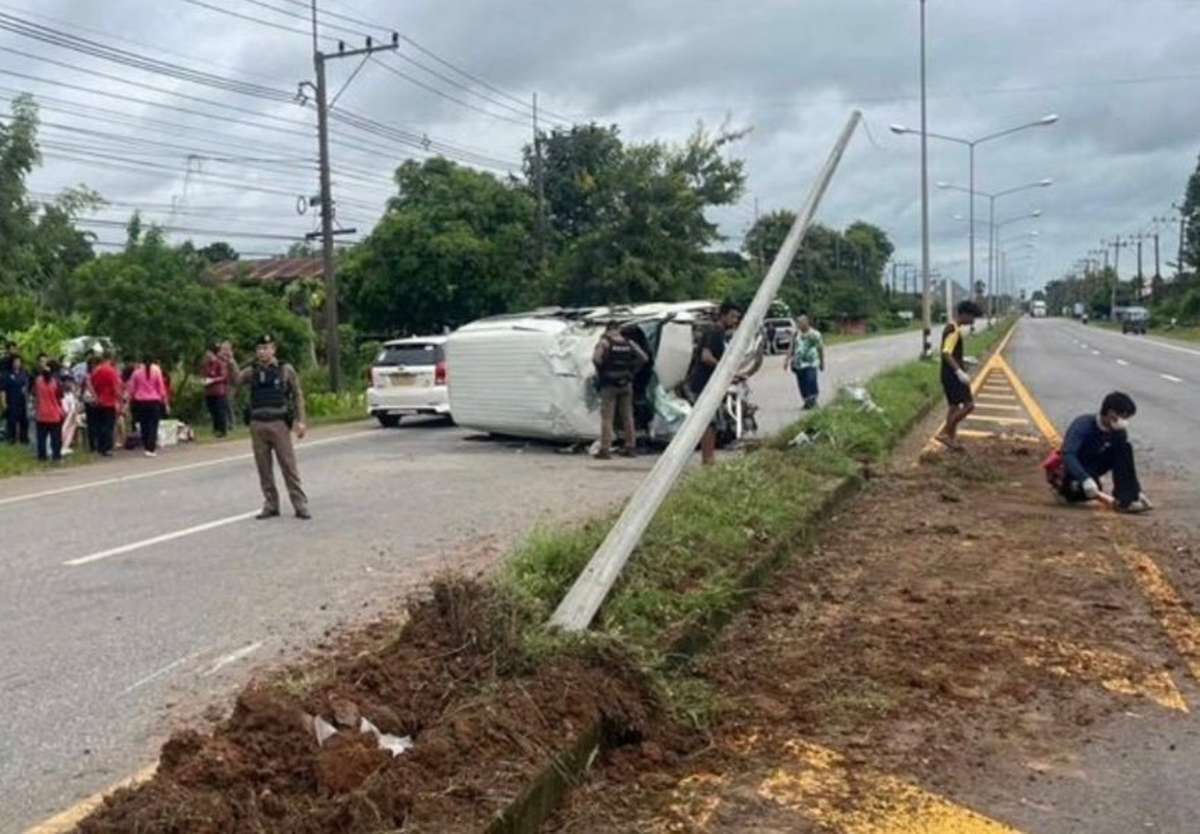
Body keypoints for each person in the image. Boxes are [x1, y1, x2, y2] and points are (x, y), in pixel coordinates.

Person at [238, 335, 309, 520]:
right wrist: (229, 361)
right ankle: (271, 504)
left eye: (266, 348)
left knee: (288, 465)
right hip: (257, 423)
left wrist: (301, 421)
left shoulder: (285, 369)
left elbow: (297, 395)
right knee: (264, 467)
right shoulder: (252, 371)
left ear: (273, 349)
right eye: (259, 348)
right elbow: (234, 380)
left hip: (279, 423)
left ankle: (299, 503)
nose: (262, 352)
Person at [1046, 392, 1152, 513]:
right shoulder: (1083, 425)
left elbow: (1125, 464)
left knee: (1124, 448)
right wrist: (1084, 478)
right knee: (1081, 493)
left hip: (1094, 466)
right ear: (1111, 413)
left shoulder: (1118, 432)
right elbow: (1068, 454)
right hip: (1074, 469)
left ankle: (1127, 499)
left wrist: (1136, 490)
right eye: (1124, 417)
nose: (1125, 422)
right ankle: (1068, 490)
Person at [688, 302, 743, 466]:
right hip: (704, 384)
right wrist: (725, 371)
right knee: (708, 422)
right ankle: (708, 459)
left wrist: (730, 375)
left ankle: (709, 458)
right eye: (732, 316)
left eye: (737, 318)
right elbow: (706, 356)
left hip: (709, 382)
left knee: (711, 422)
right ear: (723, 315)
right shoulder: (716, 331)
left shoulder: (716, 331)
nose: (734, 321)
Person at [592, 321, 649, 459]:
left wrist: (603, 369)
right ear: (618, 329)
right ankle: (630, 447)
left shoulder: (605, 342)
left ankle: (605, 449)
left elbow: (596, 359)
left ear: (608, 329)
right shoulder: (629, 343)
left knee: (607, 417)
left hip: (609, 384)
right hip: (626, 383)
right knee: (628, 416)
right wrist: (632, 371)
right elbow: (644, 358)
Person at [935, 300, 983, 450]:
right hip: (953, 376)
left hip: (947, 374)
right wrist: (959, 371)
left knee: (954, 407)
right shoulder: (953, 330)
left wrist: (963, 361)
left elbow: (951, 353)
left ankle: (950, 441)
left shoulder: (953, 328)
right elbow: (946, 353)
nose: (973, 320)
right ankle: (944, 432)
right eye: (972, 316)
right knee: (969, 406)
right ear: (964, 314)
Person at [127, 358, 168, 457]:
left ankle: (146, 445)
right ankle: (151, 448)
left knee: (144, 425)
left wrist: (129, 401)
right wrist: (165, 402)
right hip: (154, 401)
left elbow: (131, 388)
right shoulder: (157, 370)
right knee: (153, 425)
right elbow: (161, 387)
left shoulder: (136, 372)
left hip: (141, 402)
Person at [786, 315, 825, 410]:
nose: (799, 325)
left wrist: (822, 362)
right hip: (798, 364)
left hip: (811, 362)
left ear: (807, 323)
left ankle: (813, 400)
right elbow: (791, 347)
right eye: (798, 323)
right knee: (802, 384)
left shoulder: (815, 334)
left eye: (801, 322)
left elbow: (820, 348)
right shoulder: (796, 334)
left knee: (811, 380)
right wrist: (786, 360)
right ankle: (807, 402)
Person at [90, 353, 122, 457]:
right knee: (108, 425)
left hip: (98, 401)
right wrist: (120, 399)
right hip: (109, 401)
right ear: (110, 359)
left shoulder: (95, 371)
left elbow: (93, 385)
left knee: (99, 425)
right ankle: (107, 447)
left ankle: (100, 446)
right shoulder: (111, 371)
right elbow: (115, 386)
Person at [33, 360, 65, 462]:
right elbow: (60, 396)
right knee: (56, 438)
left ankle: (42, 457)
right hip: (54, 414)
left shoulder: (38, 381)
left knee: (41, 438)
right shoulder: (56, 382)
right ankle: (56, 456)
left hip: (41, 413)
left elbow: (34, 394)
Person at [202, 345, 231, 438]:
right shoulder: (206, 364)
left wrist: (213, 380)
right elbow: (204, 374)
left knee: (220, 411)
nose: (207, 355)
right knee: (212, 411)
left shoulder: (219, 363)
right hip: (209, 391)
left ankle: (223, 430)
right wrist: (204, 380)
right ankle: (215, 429)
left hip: (219, 391)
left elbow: (224, 376)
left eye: (209, 353)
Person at [3, 355, 30, 445]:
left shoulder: (24, 373)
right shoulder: (7, 374)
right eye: (15, 362)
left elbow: (27, 386)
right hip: (11, 400)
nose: (17, 364)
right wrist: (3, 403)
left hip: (22, 400)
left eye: (18, 362)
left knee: (24, 420)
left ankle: (24, 438)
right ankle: (12, 438)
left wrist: (26, 394)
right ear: (12, 363)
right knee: (12, 420)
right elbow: (3, 389)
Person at [220, 340, 239, 430]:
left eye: (226, 349)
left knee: (228, 402)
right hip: (221, 384)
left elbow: (236, 374)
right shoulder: (219, 358)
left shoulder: (231, 360)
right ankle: (224, 423)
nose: (225, 351)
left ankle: (231, 423)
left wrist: (231, 362)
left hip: (231, 384)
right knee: (221, 403)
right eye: (223, 348)